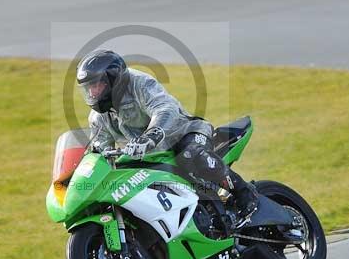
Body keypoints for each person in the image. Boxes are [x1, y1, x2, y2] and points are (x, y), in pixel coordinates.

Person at [75, 49, 259, 221]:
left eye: (96, 86)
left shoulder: (140, 83)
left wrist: (152, 135)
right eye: (88, 88)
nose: (92, 93)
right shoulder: (98, 118)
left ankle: (245, 194)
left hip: (185, 132)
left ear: (113, 80)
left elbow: (164, 108)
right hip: (152, 155)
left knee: (190, 154)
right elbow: (100, 148)